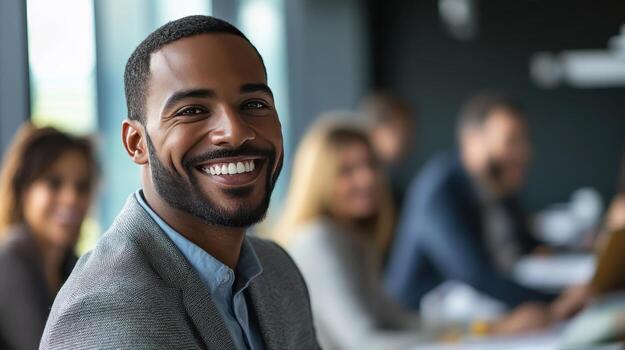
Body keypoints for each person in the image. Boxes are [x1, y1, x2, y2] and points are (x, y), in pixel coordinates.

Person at [41, 16, 319, 349]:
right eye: (192, 110)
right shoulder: (109, 309)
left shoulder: (278, 270)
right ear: (137, 143)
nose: (234, 131)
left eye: (254, 104)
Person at [385, 93, 555, 313]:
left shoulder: (496, 186)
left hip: (471, 310)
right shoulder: (440, 191)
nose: (524, 152)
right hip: (421, 324)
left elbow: (524, 242)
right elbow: (476, 276)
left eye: (525, 139)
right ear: (472, 140)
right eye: (511, 140)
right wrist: (555, 300)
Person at [276, 119, 422, 350]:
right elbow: (363, 342)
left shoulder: (353, 238)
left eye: (371, 165)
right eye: (347, 170)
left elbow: (400, 321)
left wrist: (477, 329)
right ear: (319, 179)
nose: (367, 178)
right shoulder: (317, 240)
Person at [0, 123, 97, 350]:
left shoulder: (73, 266)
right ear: (23, 190)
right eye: (54, 183)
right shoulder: (9, 262)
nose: (71, 198)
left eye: (82, 187)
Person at [359, 92, 417, 209]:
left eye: (410, 132)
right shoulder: (364, 189)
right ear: (375, 130)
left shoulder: (388, 184)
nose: (409, 139)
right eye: (401, 131)